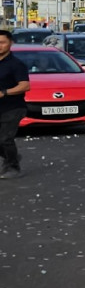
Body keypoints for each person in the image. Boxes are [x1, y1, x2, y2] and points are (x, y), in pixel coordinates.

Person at [0, 29, 29, 179]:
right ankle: (12, 156)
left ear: (10, 43)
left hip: (13, 107)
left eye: (2, 42)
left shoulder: (16, 64)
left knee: (5, 138)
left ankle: (13, 168)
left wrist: (4, 92)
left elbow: (25, 86)